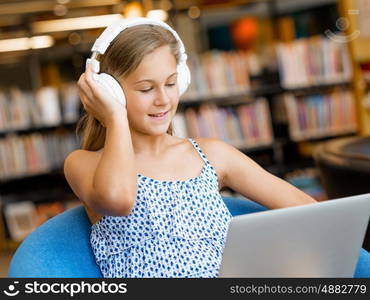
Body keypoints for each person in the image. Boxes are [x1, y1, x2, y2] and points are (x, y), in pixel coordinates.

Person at [63, 17, 317, 278]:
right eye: (146, 88)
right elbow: (118, 200)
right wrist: (114, 117)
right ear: (110, 91)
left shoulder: (212, 154)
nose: (163, 100)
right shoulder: (83, 163)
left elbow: (306, 207)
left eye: (171, 84)